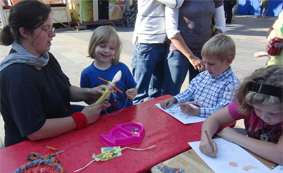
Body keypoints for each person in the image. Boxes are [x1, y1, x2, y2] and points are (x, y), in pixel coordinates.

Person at [0, 0, 110, 147]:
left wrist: (90, 93)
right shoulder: (17, 76)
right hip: (30, 151)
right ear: (24, 32)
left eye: (52, 27)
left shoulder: (44, 57)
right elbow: (35, 130)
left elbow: (65, 88)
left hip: (57, 132)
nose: (53, 34)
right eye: (46, 29)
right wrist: (81, 118)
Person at [199, 65, 283, 164]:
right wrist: (206, 139)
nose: (265, 117)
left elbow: (280, 156)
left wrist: (235, 137)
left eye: (274, 113)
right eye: (258, 109)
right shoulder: (248, 102)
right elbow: (214, 118)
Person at [160, 34, 240, 118]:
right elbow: (190, 92)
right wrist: (174, 99)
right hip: (193, 118)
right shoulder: (204, 75)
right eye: (205, 62)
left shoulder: (232, 84)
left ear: (228, 61)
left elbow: (223, 111)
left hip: (214, 124)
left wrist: (195, 111)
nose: (207, 67)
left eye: (211, 64)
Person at [163, 0, 227, 96]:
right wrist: (191, 57)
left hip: (204, 52)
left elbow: (221, 25)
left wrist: (210, 50)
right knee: (170, 93)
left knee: (199, 93)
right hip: (179, 51)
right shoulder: (176, 1)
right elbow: (172, 32)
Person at [130, 0, 184, 104]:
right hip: (146, 43)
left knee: (156, 92)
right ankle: (134, 119)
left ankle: (150, 119)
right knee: (138, 93)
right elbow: (176, 2)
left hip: (161, 42)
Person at [80, 26, 137, 114]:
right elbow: (86, 98)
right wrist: (96, 104)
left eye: (112, 48)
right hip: (102, 116)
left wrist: (133, 92)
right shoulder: (87, 73)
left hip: (126, 113)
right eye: (102, 46)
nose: (107, 51)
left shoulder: (122, 68)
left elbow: (132, 87)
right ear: (93, 46)